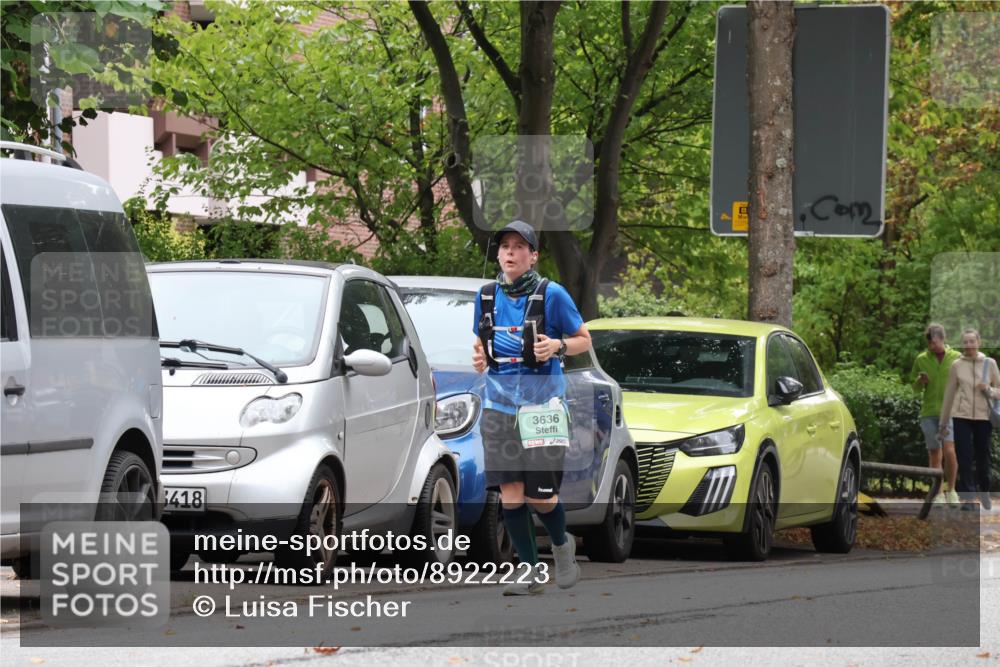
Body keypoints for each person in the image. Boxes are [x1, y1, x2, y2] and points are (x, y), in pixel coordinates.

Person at [471, 220, 592, 595]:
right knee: (510, 492)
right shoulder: (486, 296)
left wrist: (556, 346)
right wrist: (480, 356)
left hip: (543, 407)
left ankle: (561, 545)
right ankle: (531, 571)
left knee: (540, 496)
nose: (509, 252)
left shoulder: (551, 294)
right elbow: (480, 340)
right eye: (504, 246)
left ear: (533, 256)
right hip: (499, 406)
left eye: (518, 246)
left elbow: (583, 339)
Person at [939, 328, 1000, 511]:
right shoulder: (957, 365)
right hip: (961, 415)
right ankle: (969, 499)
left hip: (983, 416)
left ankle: (984, 490)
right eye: (965, 342)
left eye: (972, 341)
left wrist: (989, 390)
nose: (968, 345)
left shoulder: (990, 363)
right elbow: (949, 394)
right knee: (964, 457)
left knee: (983, 456)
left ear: (978, 343)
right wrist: (943, 422)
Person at [910, 323, 961, 506]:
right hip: (929, 412)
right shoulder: (921, 359)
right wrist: (920, 381)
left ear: (943, 339)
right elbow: (914, 388)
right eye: (930, 343)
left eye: (935, 342)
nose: (932, 346)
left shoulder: (956, 358)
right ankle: (938, 492)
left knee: (949, 450)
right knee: (934, 453)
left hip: (950, 411)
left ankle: (952, 490)